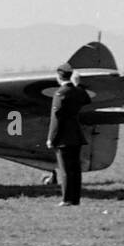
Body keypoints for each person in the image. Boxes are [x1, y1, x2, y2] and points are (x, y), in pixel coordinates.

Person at [47, 63, 92, 206]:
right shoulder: (77, 92)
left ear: (59, 77)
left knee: (65, 170)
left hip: (63, 137)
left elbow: (56, 118)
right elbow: (87, 99)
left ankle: (66, 199)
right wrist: (78, 85)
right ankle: (75, 199)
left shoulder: (60, 94)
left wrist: (51, 138)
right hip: (76, 135)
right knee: (75, 170)